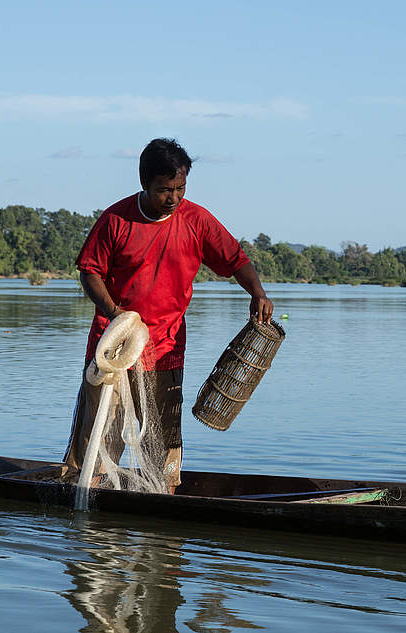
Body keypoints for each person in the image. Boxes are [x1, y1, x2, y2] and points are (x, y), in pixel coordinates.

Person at [64, 138, 273, 494]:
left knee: (163, 430)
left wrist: (257, 292)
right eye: (164, 190)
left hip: (166, 347)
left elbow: (236, 259)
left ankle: (164, 492)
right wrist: (118, 315)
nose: (173, 198)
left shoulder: (197, 220)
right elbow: (89, 272)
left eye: (180, 188)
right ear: (145, 184)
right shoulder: (116, 219)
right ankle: (84, 489)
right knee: (99, 427)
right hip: (114, 344)